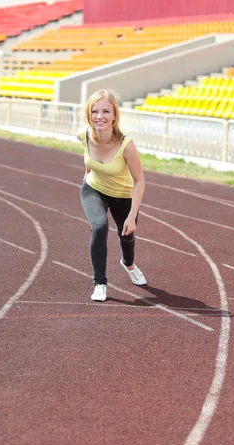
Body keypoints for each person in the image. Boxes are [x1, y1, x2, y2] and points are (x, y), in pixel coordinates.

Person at [77, 89, 147, 302]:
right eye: (95, 111)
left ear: (115, 115)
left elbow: (139, 181)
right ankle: (100, 283)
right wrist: (86, 175)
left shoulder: (126, 145)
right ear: (89, 114)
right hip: (94, 189)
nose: (100, 116)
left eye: (106, 111)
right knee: (99, 226)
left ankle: (129, 264)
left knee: (127, 237)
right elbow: (88, 157)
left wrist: (131, 216)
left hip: (123, 195)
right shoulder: (83, 134)